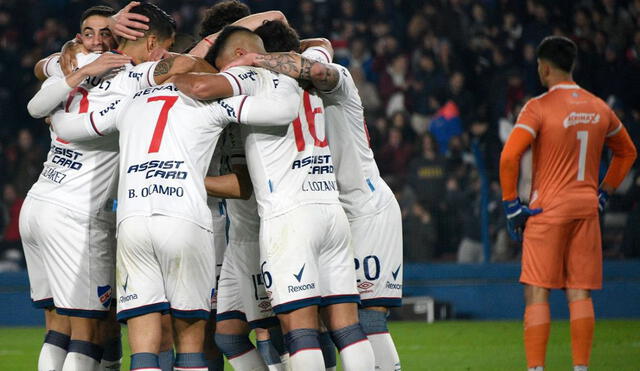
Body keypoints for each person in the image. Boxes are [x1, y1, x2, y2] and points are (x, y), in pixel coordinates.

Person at [50, 49, 301, 371]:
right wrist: (279, 76)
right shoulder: (211, 104)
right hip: (184, 220)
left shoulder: (131, 102)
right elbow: (281, 112)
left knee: (143, 344)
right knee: (191, 342)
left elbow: (68, 129)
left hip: (133, 222)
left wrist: (57, 108)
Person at [174, 26, 375, 371]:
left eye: (225, 65)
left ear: (239, 56)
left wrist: (166, 73)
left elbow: (201, 86)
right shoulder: (306, 68)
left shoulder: (251, 75)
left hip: (288, 217)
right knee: (347, 326)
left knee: (300, 331)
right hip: (329, 208)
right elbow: (321, 47)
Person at [226, 30, 405, 370]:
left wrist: (255, 59)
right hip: (330, 207)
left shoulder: (327, 76)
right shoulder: (283, 84)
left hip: (363, 207)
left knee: (365, 319)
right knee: (330, 319)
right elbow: (319, 43)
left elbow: (319, 55)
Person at [499, 36, 637, 371]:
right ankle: (580, 368)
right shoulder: (598, 106)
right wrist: (604, 191)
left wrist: (511, 204)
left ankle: (536, 368)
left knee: (537, 291)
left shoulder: (538, 107)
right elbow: (628, 152)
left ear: (544, 67)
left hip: (547, 211)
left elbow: (509, 156)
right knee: (580, 293)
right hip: (586, 209)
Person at [22, 5, 126, 371]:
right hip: (74, 214)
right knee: (86, 329)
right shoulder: (119, 78)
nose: (97, 40)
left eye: (106, 32)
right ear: (79, 37)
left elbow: (40, 85)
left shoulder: (70, 66)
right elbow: (36, 106)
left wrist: (72, 64)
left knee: (58, 330)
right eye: (89, 32)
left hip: (39, 206)